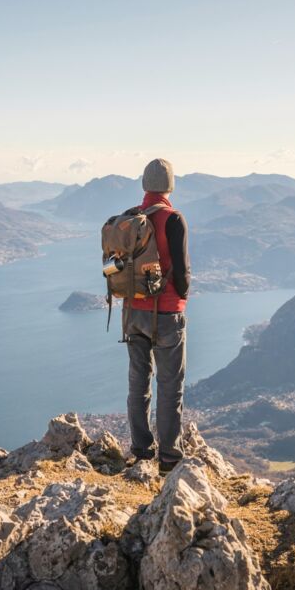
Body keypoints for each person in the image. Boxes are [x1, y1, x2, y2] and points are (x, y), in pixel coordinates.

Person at [125, 158, 190, 476]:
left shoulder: (131, 219)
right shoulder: (172, 219)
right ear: (170, 185)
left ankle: (140, 450)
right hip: (166, 314)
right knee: (169, 386)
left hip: (133, 314)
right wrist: (182, 296)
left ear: (145, 186)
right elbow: (182, 271)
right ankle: (168, 457)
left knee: (138, 383)